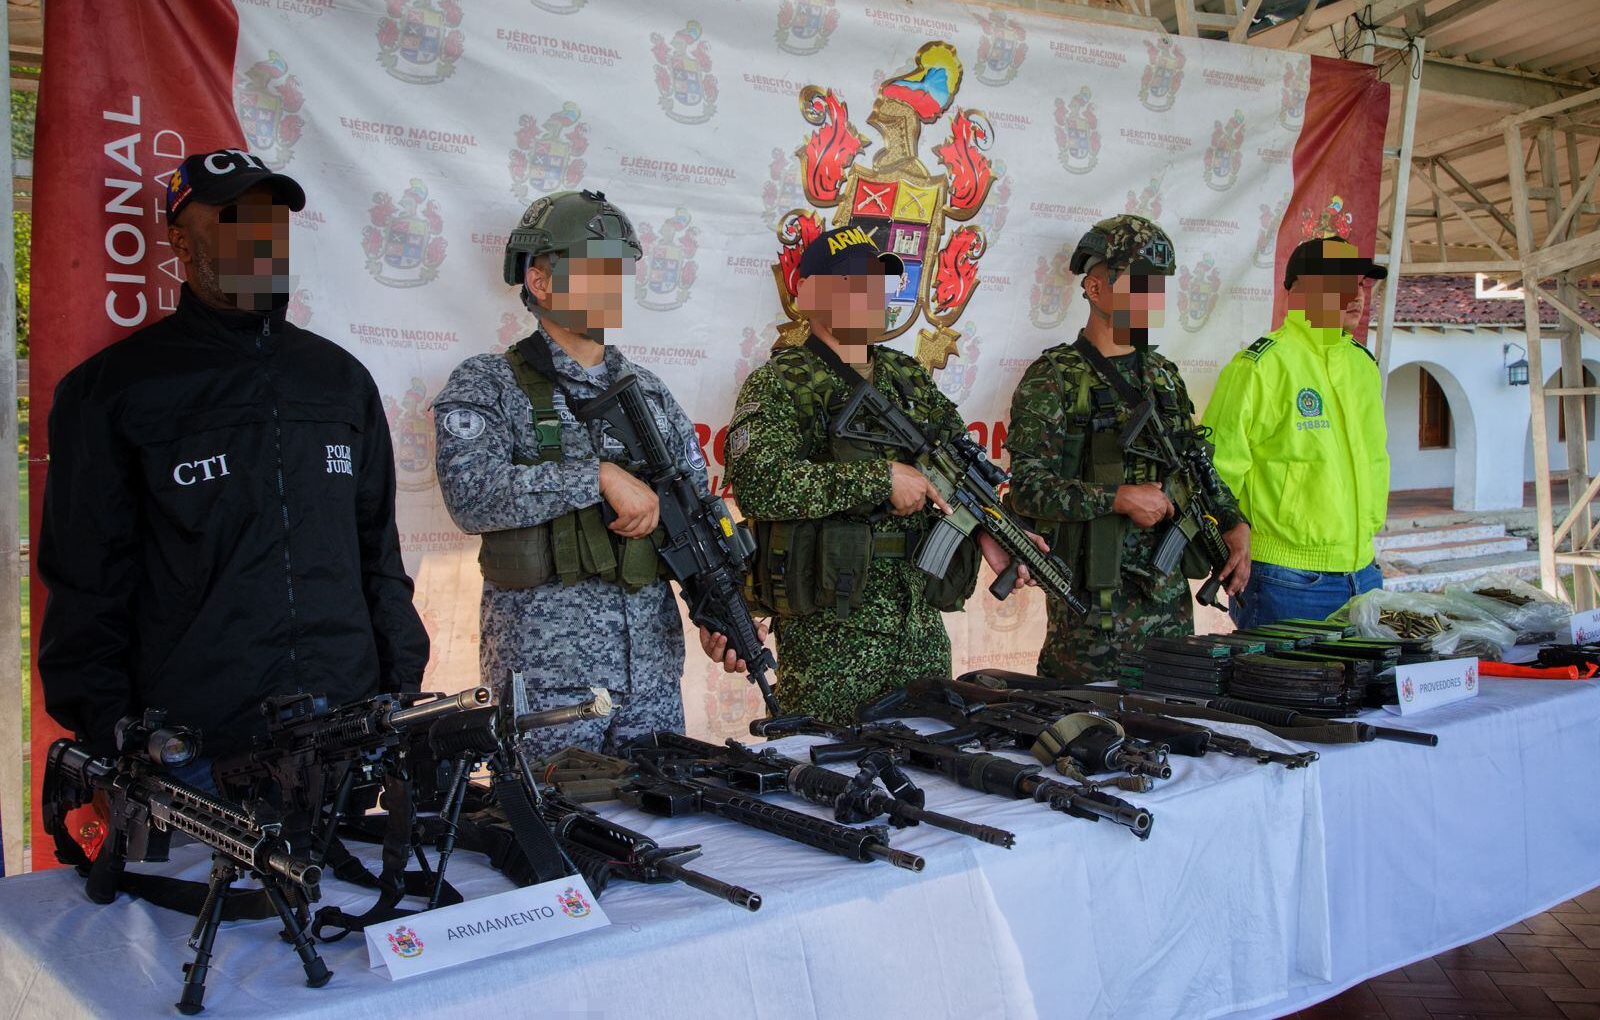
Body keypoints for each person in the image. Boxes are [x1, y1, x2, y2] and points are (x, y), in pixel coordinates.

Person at [37, 148, 429, 782]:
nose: (260, 239)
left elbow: (377, 555)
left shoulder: (340, 382)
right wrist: (117, 733)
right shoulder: (113, 390)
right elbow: (87, 583)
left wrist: (398, 686)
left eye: (272, 222)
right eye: (233, 221)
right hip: (195, 749)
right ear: (180, 243)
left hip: (347, 730)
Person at [433, 189, 730, 756]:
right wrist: (595, 476)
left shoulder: (649, 392)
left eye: (618, 271)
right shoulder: (488, 383)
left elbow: (697, 510)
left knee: (662, 830)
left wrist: (716, 610)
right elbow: (472, 497)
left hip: (652, 679)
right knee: (552, 832)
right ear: (541, 282)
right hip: (550, 686)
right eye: (594, 269)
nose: (612, 286)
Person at [719, 225, 1032, 721]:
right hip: (833, 638)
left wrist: (989, 531)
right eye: (853, 283)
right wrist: (879, 478)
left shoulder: (906, 377)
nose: (872, 295)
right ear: (810, 294)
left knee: (934, 767)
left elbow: (954, 466)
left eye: (878, 283)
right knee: (831, 777)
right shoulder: (782, 383)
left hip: (921, 627)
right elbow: (760, 483)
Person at [1007, 214, 1250, 683]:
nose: (1152, 300)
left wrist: (1236, 521)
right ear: (1096, 290)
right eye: (1139, 286)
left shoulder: (1163, 375)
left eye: (1159, 287)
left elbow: (1195, 467)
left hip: (1171, 615)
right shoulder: (1055, 377)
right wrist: (1117, 499)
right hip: (1092, 627)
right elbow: (1027, 491)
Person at [1202, 236, 1390, 628]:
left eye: (1359, 283)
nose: (1356, 294)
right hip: (1285, 580)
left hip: (1364, 572)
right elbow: (1214, 472)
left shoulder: (1362, 365)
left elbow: (1373, 459)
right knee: (1283, 690)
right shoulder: (1260, 366)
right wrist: (1226, 543)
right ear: (1301, 290)